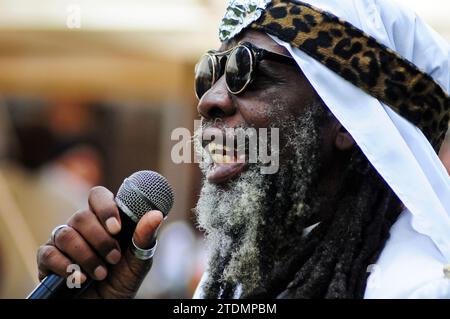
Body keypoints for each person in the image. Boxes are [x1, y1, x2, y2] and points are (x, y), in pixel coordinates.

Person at [36, 0, 450, 299]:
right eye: (209, 73)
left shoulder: (415, 288)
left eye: (246, 70)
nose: (209, 100)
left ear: (347, 118)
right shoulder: (232, 282)